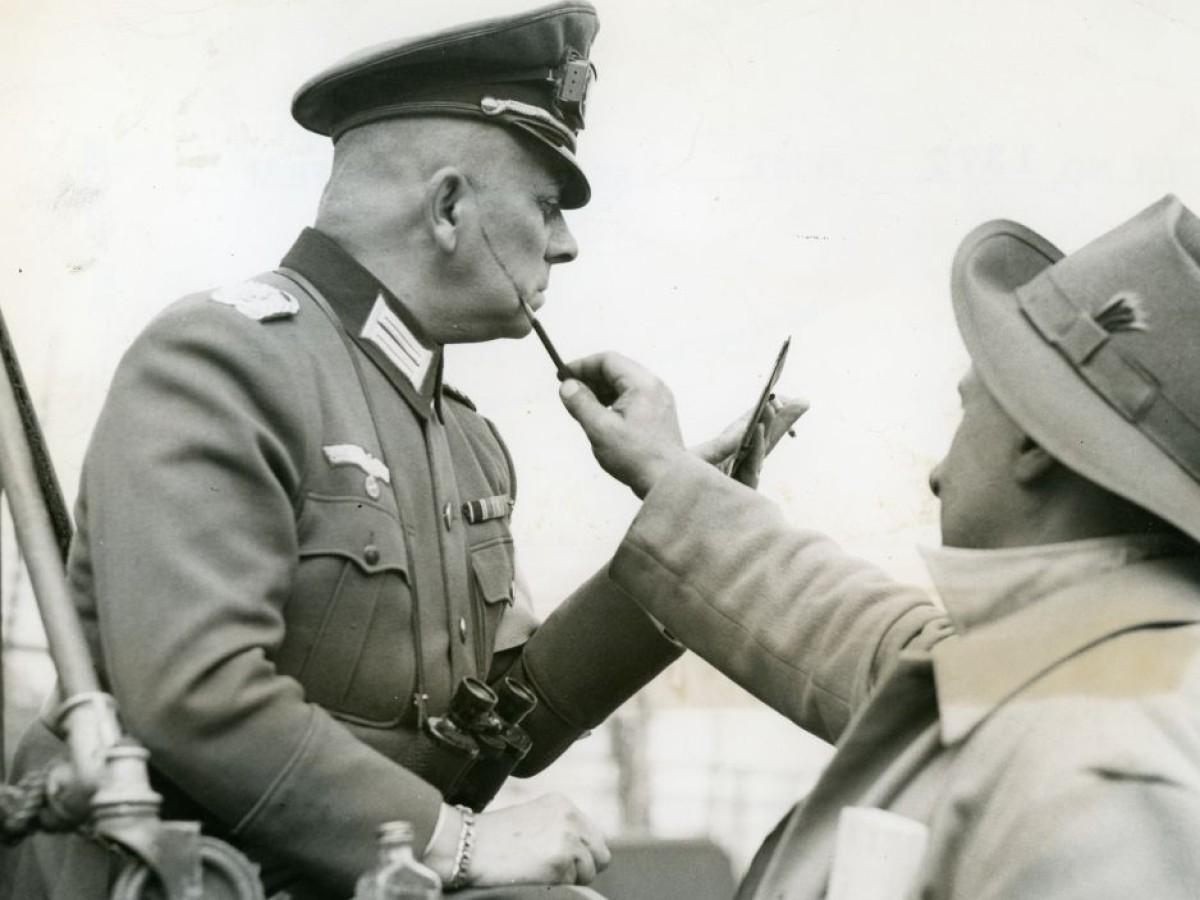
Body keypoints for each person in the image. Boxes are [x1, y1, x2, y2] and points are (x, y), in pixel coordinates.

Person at [6, 4, 782, 898]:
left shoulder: (467, 440)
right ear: (450, 206)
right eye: (545, 206)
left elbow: (497, 731)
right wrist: (449, 843)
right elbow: (194, 694)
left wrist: (686, 532)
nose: (565, 245)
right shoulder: (220, 361)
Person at [557, 194, 1200, 898]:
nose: (935, 476)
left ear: (1032, 440)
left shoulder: (1108, 781)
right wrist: (670, 474)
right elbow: (866, 635)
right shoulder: (1103, 663)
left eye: (967, 409)